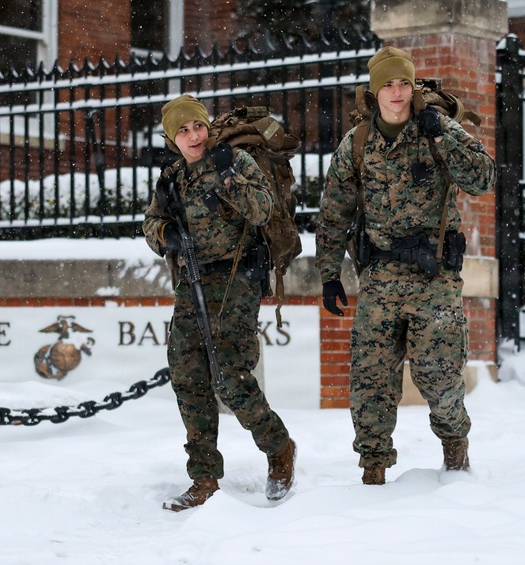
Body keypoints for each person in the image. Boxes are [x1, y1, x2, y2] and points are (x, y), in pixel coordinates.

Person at [315, 47, 496, 485]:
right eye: (388, 84)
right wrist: (327, 272)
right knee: (371, 380)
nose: (397, 92)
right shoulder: (356, 144)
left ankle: (455, 451)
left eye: (404, 83)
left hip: (434, 279)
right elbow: (334, 212)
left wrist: (443, 136)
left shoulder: (437, 128)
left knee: (439, 374)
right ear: (374, 90)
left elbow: (483, 179)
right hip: (378, 280)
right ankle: (373, 470)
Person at [143, 93, 296, 511]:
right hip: (192, 282)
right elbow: (151, 221)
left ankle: (279, 448)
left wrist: (228, 180)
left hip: (238, 277)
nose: (193, 135)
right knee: (187, 374)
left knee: (229, 374)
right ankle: (204, 476)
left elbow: (263, 211)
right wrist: (165, 236)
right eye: (183, 130)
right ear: (172, 138)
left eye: (197, 126)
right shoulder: (171, 178)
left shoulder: (235, 162)